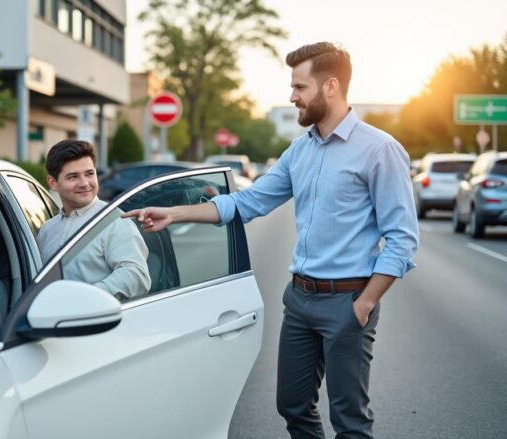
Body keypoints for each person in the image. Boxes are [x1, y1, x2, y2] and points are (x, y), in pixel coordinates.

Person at [124, 42, 419, 439]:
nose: (292, 96)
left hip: (347, 302)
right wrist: (174, 214)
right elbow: (249, 202)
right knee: (293, 405)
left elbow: (402, 240)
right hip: (299, 300)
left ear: (330, 87)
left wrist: (364, 304)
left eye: (300, 87)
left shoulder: (379, 150)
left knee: (350, 419)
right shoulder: (300, 149)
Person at [37, 139, 151, 301]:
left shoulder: (115, 220)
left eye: (89, 174)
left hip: (96, 321)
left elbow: (136, 275)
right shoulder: (47, 230)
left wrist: (89, 297)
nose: (84, 183)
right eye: (73, 177)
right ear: (53, 183)